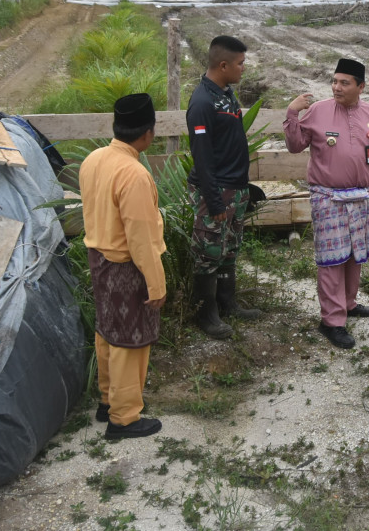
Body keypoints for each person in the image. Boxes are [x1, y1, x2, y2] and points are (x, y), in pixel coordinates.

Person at [78, 93, 167, 439]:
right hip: (126, 266)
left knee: (107, 332)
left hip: (98, 259)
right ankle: (124, 418)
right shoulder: (134, 174)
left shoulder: (94, 159)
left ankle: (107, 400)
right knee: (131, 342)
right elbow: (141, 239)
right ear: (148, 133)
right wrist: (156, 285)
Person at [284, 57, 369, 349]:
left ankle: (348, 303)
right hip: (328, 197)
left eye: (344, 83)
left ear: (361, 86)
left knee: (355, 254)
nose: (336, 87)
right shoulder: (317, 111)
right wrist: (292, 112)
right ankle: (332, 321)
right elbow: (294, 146)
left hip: (364, 196)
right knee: (332, 259)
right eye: (334, 81)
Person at [187, 35, 262, 340]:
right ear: (223, 65)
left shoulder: (225, 93)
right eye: (240, 63)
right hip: (216, 190)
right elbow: (202, 157)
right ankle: (206, 314)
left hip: (235, 187)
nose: (244, 68)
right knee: (208, 250)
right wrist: (215, 202)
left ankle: (227, 302)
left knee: (229, 248)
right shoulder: (202, 103)